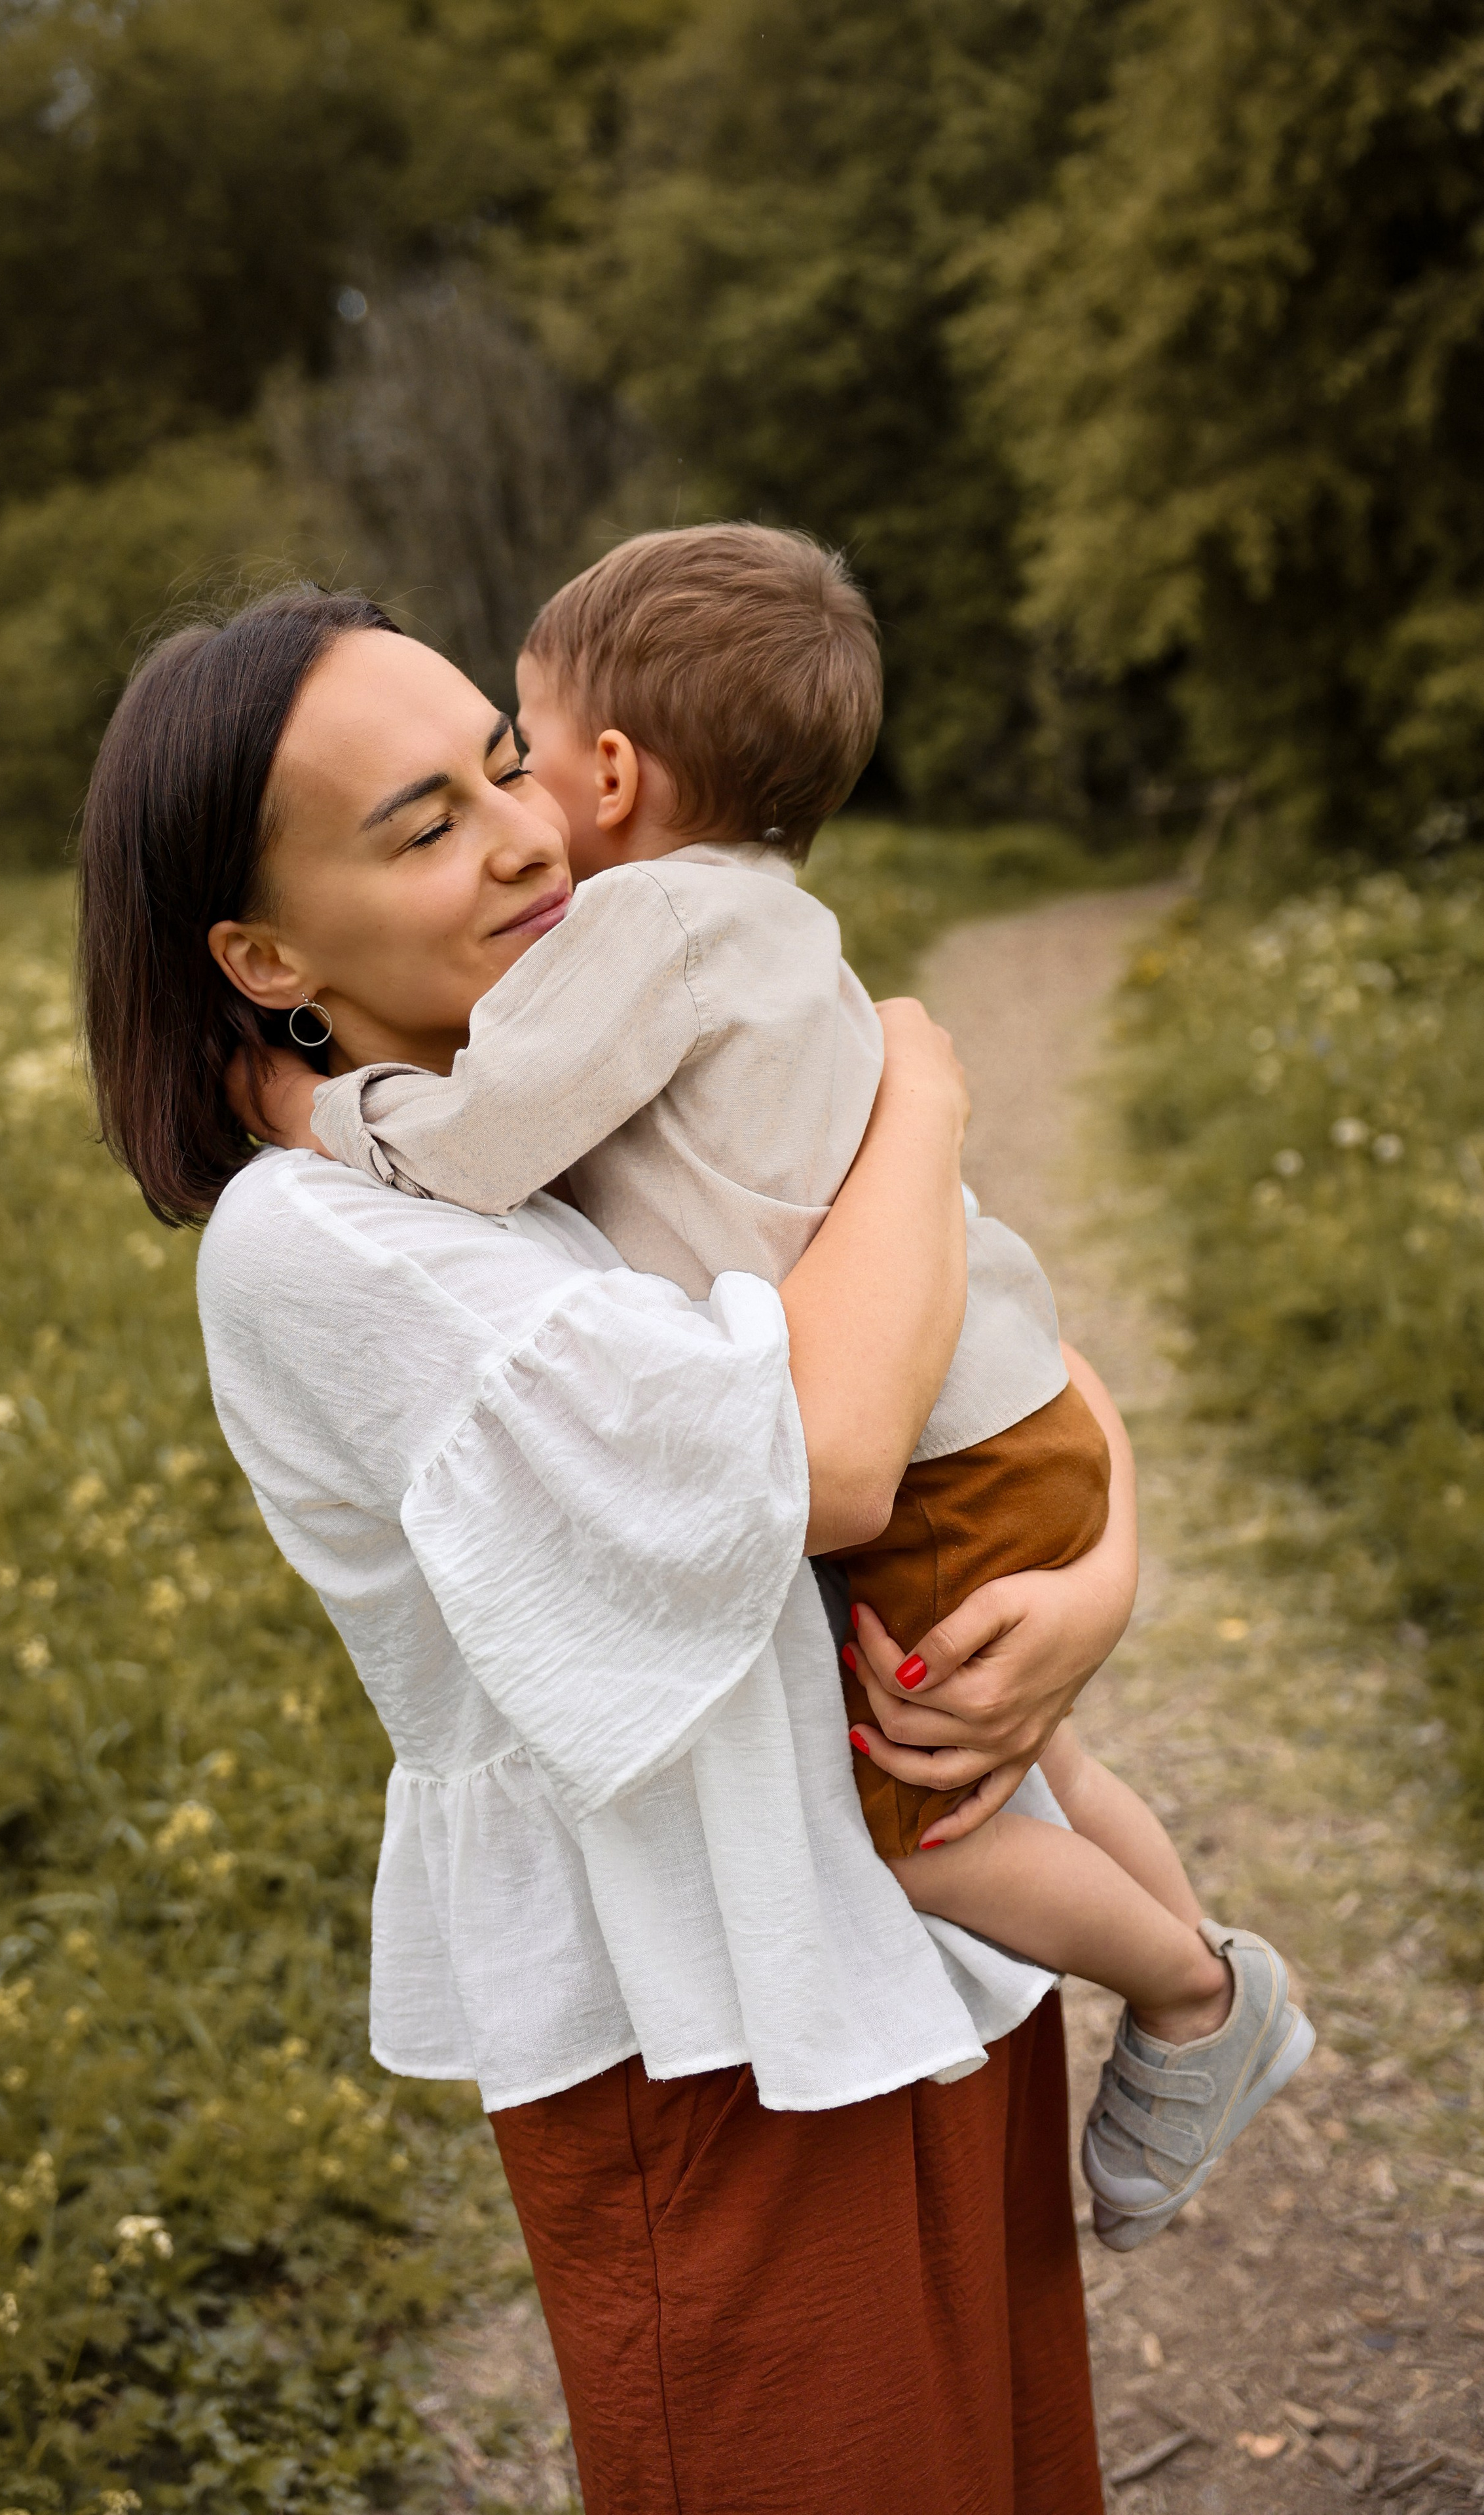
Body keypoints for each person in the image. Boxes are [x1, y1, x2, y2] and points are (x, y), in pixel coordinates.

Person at [78, 582, 1132, 2514]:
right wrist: (925, 1084)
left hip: (917, 1942)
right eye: (424, 825)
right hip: (707, 2022)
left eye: (506, 765)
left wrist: (1102, 1579)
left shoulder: (605, 1094)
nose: (532, 832)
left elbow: (1004, 1358)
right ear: (260, 950)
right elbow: (826, 1455)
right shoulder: (323, 1241)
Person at [250, 527, 1314, 2252]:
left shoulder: (648, 925)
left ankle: (1195, 1998)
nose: (521, 812)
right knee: (1016, 1765)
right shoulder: (767, 919)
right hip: (1002, 1412)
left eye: (516, 750)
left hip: (934, 1451)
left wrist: (331, 1111)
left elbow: (489, 1140)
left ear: (610, 769)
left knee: (938, 1829)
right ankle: (1208, 1986)